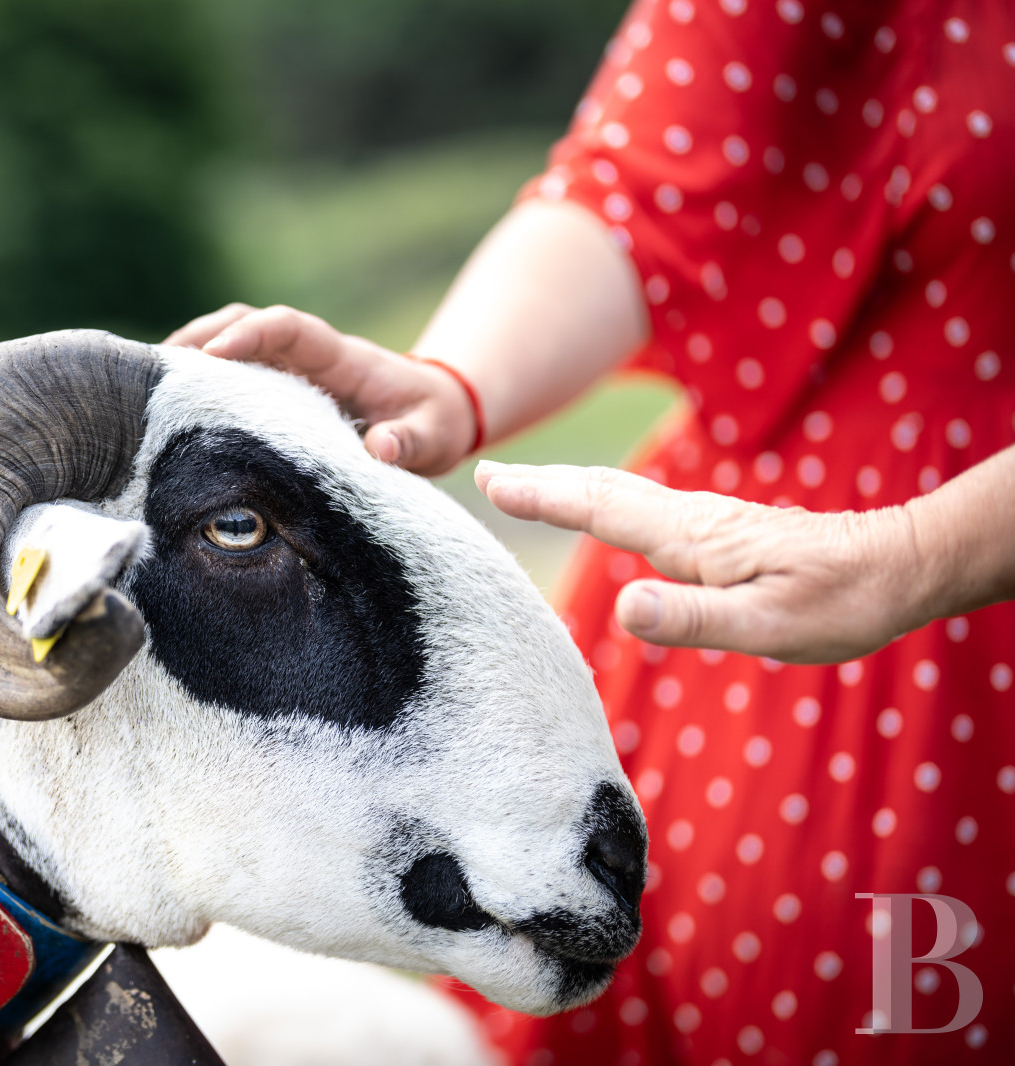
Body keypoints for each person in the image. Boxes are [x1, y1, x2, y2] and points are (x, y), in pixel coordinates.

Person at [168, 0, 1015, 1062]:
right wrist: (450, 386)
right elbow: (643, 180)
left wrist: (923, 554)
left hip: (948, 628)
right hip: (745, 613)